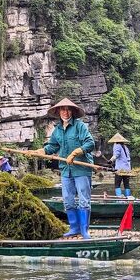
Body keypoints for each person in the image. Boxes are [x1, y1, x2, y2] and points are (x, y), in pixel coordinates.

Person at [34, 98, 95, 239]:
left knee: (84, 200)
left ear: (72, 112)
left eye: (68, 109)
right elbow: (53, 146)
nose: (65, 112)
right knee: (68, 200)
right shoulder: (58, 130)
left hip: (81, 168)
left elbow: (90, 143)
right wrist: (42, 151)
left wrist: (75, 152)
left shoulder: (80, 126)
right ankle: (74, 228)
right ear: (58, 112)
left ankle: (84, 230)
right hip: (66, 170)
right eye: (62, 109)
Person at [109, 133, 132, 198]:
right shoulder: (125, 147)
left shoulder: (117, 145)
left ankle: (119, 198)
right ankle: (128, 197)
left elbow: (116, 155)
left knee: (117, 184)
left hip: (120, 169)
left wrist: (111, 160)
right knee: (126, 184)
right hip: (127, 168)